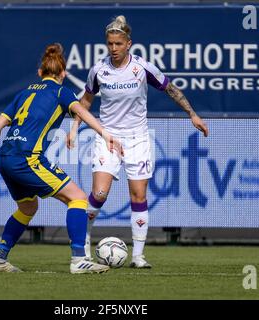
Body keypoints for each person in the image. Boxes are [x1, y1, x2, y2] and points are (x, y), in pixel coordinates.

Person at [67, 16, 209, 268]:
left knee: (139, 195)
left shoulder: (142, 68)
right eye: (110, 44)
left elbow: (171, 89)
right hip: (107, 137)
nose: (113, 48)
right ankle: (84, 247)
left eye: (118, 44)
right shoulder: (99, 70)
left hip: (138, 138)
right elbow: (85, 101)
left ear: (128, 43)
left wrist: (192, 114)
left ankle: (138, 256)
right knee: (99, 193)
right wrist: (74, 127)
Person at [0, 43, 123, 274]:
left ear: (40, 73)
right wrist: (106, 134)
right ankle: (78, 260)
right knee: (78, 198)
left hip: (4, 157)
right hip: (27, 159)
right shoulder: (62, 92)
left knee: (28, 207)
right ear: (63, 74)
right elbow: (82, 111)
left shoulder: (24, 93)